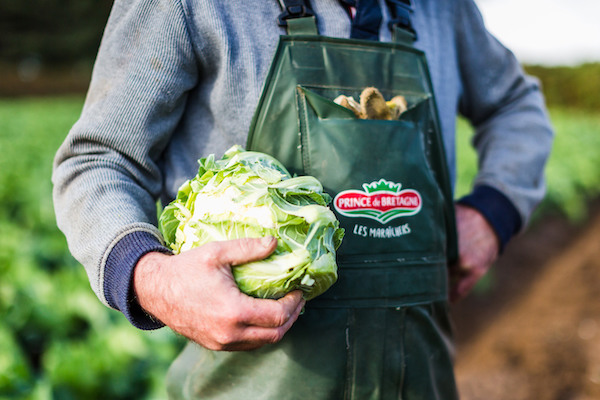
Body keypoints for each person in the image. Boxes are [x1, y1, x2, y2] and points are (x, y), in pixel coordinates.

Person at [52, 0, 553, 398]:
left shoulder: (444, 9)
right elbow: (98, 160)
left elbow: (516, 104)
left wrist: (493, 212)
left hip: (422, 383)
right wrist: (153, 279)